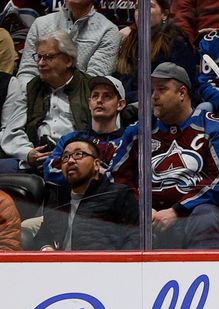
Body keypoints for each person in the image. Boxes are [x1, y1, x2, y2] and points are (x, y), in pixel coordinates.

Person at [108, 63, 219, 249]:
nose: (153, 96)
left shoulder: (213, 127)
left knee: (205, 215)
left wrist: (178, 210)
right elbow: (118, 177)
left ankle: (204, 276)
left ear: (182, 93)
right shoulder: (137, 131)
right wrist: (141, 208)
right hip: (147, 217)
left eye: (161, 89)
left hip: (192, 214)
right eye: (151, 90)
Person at [0, 30, 90, 173]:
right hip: (38, 161)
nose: (41, 63)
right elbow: (12, 131)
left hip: (76, 160)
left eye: (48, 57)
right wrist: (28, 152)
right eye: (39, 57)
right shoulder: (31, 89)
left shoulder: (90, 88)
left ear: (68, 60)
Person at [32, 136, 139, 250]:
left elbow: (137, 237)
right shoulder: (58, 196)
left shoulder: (119, 194)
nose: (70, 161)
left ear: (96, 164)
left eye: (78, 154)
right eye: (65, 157)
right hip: (60, 265)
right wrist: (46, 248)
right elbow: (43, 235)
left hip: (100, 265)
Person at [43, 74, 132, 185]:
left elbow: (123, 180)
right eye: (95, 96)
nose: (99, 100)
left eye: (107, 96)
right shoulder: (70, 139)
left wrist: (77, 170)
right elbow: (49, 170)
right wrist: (92, 171)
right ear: (89, 103)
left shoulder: (127, 143)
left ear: (120, 104)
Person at [16, 0, 119, 85]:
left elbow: (94, 81)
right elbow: (27, 72)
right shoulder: (40, 24)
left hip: (80, 103)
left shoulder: (108, 31)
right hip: (37, 98)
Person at [114, 0, 195, 105]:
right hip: (127, 104)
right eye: (138, 7)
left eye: (149, 6)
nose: (142, 11)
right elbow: (120, 83)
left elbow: (183, 85)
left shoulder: (176, 43)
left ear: (164, 14)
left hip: (163, 105)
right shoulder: (128, 42)